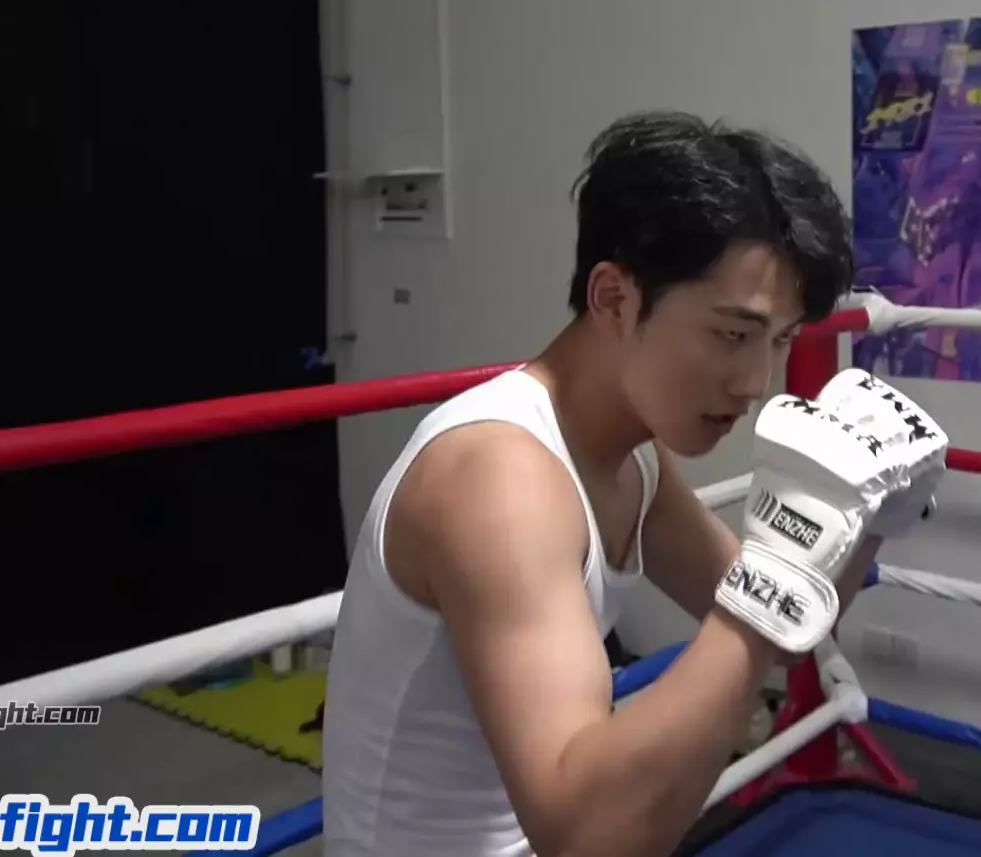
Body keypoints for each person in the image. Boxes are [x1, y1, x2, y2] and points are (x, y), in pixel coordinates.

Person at [321, 111, 948, 857]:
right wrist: (772, 585)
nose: (757, 381)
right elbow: (586, 839)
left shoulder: (634, 460)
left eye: (779, 341)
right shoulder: (498, 479)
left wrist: (870, 512)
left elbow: (782, 639)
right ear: (614, 299)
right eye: (733, 334)